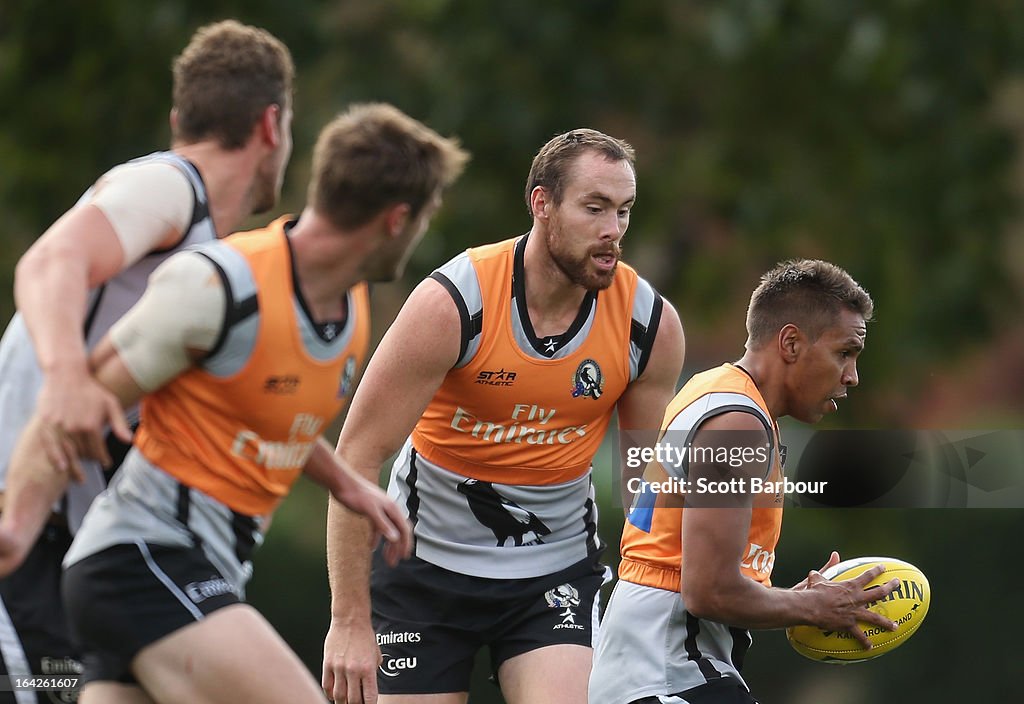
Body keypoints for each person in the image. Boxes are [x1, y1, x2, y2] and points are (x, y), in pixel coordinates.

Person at [4, 102, 469, 703]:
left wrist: (347, 485)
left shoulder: (348, 307)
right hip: (140, 561)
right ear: (396, 219)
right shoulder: (219, 284)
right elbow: (74, 402)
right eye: (426, 217)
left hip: (197, 572)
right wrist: (16, 526)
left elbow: (265, 415)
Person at [322, 129, 686, 704]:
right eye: (594, 208)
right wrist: (348, 620)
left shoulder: (649, 326)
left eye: (623, 211)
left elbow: (650, 490)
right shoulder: (454, 303)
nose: (612, 230)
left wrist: (734, 580)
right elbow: (357, 455)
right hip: (421, 568)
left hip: (556, 574)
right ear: (542, 204)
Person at [0, 19, 294, 703]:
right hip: (21, 525)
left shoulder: (217, 264)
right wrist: (68, 378)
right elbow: (50, 259)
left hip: (75, 543)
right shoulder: (170, 185)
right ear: (272, 126)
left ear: (178, 114)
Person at [589, 259, 901, 704]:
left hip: (660, 667)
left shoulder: (722, 394)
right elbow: (708, 590)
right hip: (666, 674)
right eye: (844, 353)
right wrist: (815, 606)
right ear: (791, 343)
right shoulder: (737, 422)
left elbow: (699, 571)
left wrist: (793, 600)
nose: (852, 376)